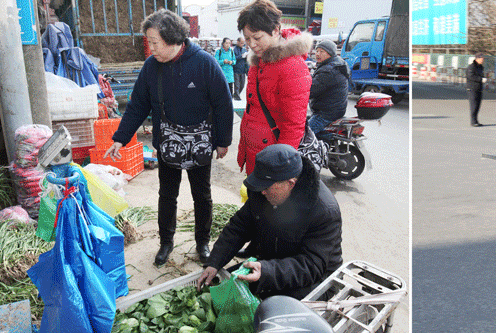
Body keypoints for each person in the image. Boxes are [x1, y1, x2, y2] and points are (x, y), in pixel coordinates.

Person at [104, 9, 233, 266]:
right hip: (168, 143)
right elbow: (138, 105)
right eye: (149, 42)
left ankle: (202, 242)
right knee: (167, 195)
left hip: (200, 144)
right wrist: (120, 137)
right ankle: (166, 242)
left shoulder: (205, 63)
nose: (150, 48)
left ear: (173, 38)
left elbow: (223, 104)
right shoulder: (152, 68)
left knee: (202, 195)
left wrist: (223, 141)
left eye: (154, 42)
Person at [196, 144, 342, 299]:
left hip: (313, 280)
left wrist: (266, 271)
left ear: (290, 183)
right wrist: (214, 262)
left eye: (266, 187)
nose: (262, 192)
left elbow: (312, 265)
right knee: (222, 292)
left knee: (266, 312)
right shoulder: (263, 189)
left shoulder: (324, 211)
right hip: (270, 263)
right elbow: (239, 226)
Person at [236, 0, 313, 175]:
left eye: (257, 38)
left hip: (273, 159)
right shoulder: (259, 61)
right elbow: (253, 112)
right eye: (247, 39)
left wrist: (280, 168)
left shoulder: (292, 66)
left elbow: (293, 126)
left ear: (276, 30)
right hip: (257, 151)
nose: (252, 45)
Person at [308, 39, 349, 139]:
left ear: (330, 53)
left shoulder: (328, 71)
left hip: (326, 114)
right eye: (317, 51)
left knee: (303, 135)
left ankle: (327, 139)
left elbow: (311, 90)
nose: (318, 54)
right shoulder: (336, 64)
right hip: (334, 110)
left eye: (322, 51)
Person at [466, 53, 485, 127]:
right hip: (472, 88)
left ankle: (476, 120)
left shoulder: (481, 67)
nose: (482, 60)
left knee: (477, 105)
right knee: (473, 105)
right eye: (481, 59)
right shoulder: (471, 67)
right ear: (477, 58)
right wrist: (481, 79)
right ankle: (473, 121)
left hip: (479, 88)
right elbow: (471, 76)